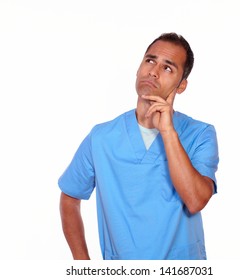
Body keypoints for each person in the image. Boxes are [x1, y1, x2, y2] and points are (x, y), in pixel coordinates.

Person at [58, 32, 219, 260]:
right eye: (150, 60)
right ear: (138, 68)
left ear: (181, 85)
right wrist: (83, 265)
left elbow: (195, 200)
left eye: (167, 68)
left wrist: (168, 131)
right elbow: (69, 197)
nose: (153, 71)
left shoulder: (200, 134)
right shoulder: (101, 137)